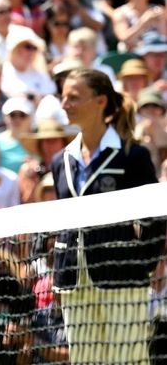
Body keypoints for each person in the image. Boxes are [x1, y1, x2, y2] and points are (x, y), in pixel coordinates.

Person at [51, 68, 166, 364]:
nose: (65, 104)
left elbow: (155, 219)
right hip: (72, 279)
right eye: (63, 97)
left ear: (101, 101)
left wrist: (144, 265)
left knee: (129, 360)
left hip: (122, 276)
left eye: (74, 97)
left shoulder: (133, 156)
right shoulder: (60, 161)